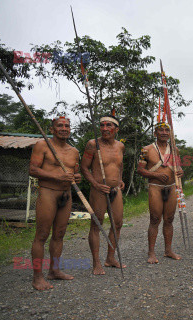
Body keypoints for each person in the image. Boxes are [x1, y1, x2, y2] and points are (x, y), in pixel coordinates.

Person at [29, 116, 81, 290]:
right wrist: (57, 176)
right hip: (48, 193)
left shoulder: (74, 151)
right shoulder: (42, 145)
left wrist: (77, 177)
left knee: (59, 234)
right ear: (52, 129)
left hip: (66, 195)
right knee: (42, 235)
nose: (64, 128)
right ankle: (37, 277)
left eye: (67, 125)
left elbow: (76, 173)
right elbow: (33, 170)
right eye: (60, 126)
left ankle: (54, 270)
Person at [81, 114, 125, 275]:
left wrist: (120, 180)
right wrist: (96, 184)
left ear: (116, 129)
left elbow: (120, 166)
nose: (105, 128)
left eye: (109, 126)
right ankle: (96, 263)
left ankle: (110, 258)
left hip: (116, 190)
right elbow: (84, 168)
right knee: (96, 224)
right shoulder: (93, 145)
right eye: (102, 125)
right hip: (99, 190)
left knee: (117, 224)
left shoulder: (120, 146)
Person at [137, 122, 183, 264]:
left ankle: (168, 250)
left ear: (170, 134)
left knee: (169, 219)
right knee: (155, 219)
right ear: (155, 133)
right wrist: (156, 175)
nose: (164, 133)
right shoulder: (146, 150)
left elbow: (178, 167)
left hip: (171, 187)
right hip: (155, 187)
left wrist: (180, 171)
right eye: (160, 130)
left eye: (166, 130)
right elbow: (140, 170)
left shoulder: (174, 149)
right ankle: (151, 253)